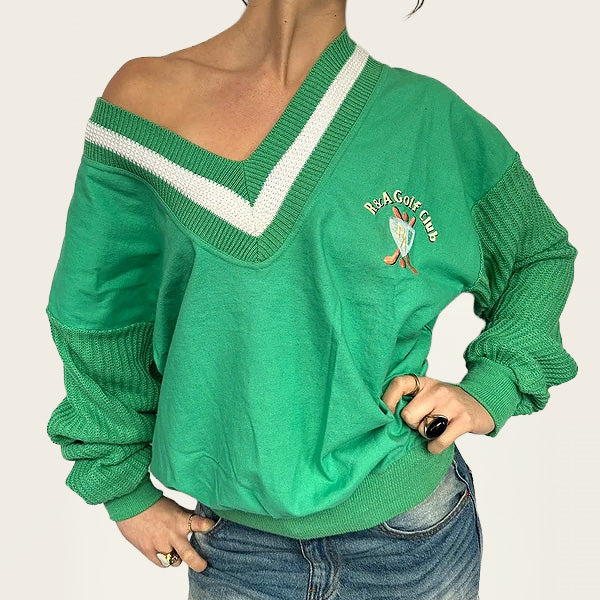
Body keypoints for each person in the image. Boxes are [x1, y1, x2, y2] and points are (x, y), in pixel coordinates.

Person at [44, 1, 578, 598]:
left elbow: (537, 254)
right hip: (237, 550)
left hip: (412, 533)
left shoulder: (427, 119)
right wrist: (123, 490)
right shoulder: (143, 101)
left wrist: (491, 386)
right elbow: (102, 308)